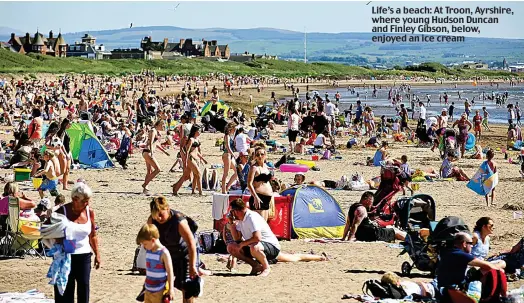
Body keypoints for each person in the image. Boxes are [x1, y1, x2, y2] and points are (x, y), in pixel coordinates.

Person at [147, 196, 201, 302]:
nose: (159, 218)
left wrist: (192, 266)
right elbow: (149, 241)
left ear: (167, 208)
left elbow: (191, 245)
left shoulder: (179, 221)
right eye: (155, 216)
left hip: (184, 254)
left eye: (161, 215)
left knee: (186, 287)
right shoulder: (152, 220)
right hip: (166, 254)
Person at [54, 182, 101, 303]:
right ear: (75, 199)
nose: (87, 203)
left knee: (84, 288)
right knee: (65, 292)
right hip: (65, 256)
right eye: (84, 200)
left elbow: (93, 235)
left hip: (84, 255)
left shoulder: (89, 212)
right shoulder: (61, 212)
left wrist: (97, 254)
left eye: (88, 200)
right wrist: (62, 243)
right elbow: (49, 233)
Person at [436, 232, 499, 303]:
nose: (472, 246)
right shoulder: (461, 255)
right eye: (471, 243)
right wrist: (500, 265)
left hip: (444, 288)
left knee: (482, 271)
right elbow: (490, 266)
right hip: (451, 291)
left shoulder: (450, 252)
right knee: (489, 271)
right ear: (464, 244)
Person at [341, 191, 406, 242]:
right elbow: (355, 225)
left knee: (391, 229)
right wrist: (349, 239)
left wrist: (343, 238)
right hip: (371, 234)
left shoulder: (353, 207)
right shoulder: (362, 209)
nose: (371, 205)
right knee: (395, 232)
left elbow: (348, 223)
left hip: (362, 234)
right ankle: (411, 241)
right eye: (371, 202)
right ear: (366, 200)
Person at [136, 224, 176, 303]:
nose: (144, 247)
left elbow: (170, 272)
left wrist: (171, 289)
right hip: (148, 289)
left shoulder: (163, 253)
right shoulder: (149, 250)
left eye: (145, 244)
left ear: (153, 240)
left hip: (160, 290)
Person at [172, 125, 207, 196]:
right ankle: (200, 192)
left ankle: (175, 189)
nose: (200, 132)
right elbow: (187, 151)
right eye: (198, 131)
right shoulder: (191, 139)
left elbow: (197, 151)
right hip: (190, 158)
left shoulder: (196, 139)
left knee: (186, 175)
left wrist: (202, 159)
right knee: (199, 174)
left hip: (195, 158)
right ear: (195, 131)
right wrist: (185, 161)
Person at [142, 120, 170, 195]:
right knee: (158, 169)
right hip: (148, 151)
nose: (163, 126)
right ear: (158, 125)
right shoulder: (153, 131)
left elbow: (156, 144)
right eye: (162, 125)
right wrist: (151, 152)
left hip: (147, 152)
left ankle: (145, 189)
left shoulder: (156, 132)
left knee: (149, 171)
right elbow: (150, 142)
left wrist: (164, 151)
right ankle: (145, 184)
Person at [246, 146, 274, 221]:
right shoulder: (254, 168)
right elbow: (249, 184)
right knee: (259, 224)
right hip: (258, 197)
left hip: (267, 198)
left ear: (265, 155)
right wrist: (255, 196)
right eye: (257, 155)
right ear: (255, 156)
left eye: (262, 154)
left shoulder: (266, 167)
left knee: (264, 224)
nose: (260, 156)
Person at [221, 122, 238, 194]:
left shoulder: (230, 136)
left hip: (229, 155)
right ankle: (223, 190)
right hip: (227, 154)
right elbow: (227, 147)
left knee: (237, 171)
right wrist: (233, 155)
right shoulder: (227, 136)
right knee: (226, 173)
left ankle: (227, 187)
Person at [56, 118, 72, 190]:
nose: (70, 125)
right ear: (66, 124)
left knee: (67, 169)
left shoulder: (65, 132)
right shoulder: (62, 132)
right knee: (62, 170)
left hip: (68, 152)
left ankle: (65, 186)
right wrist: (65, 153)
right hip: (63, 153)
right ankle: (49, 180)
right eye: (69, 124)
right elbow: (61, 144)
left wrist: (69, 153)